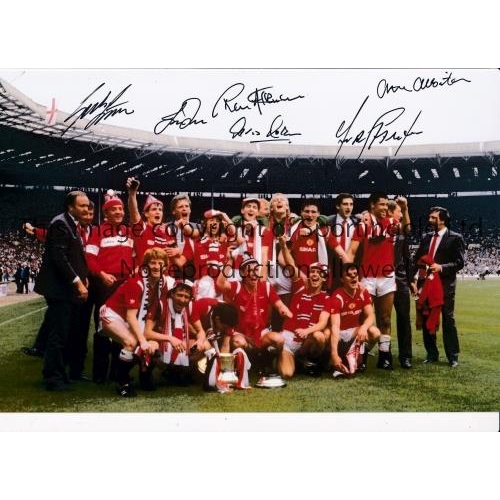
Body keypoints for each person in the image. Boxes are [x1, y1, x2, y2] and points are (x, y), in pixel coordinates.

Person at [34, 191, 90, 391]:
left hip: (66, 290)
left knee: (66, 333)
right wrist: (78, 282)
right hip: (60, 290)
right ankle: (53, 378)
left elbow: (73, 256)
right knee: (58, 335)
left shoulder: (71, 223)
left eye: (87, 205)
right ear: (70, 207)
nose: (86, 209)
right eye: (82, 205)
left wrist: (83, 278)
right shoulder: (60, 223)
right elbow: (59, 258)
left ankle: (62, 374)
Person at [348, 192, 410, 370]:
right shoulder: (362, 225)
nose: (385, 208)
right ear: (372, 206)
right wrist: (350, 274)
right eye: (381, 204)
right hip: (366, 277)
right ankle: (361, 356)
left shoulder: (392, 223)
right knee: (364, 318)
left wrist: (404, 209)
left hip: (387, 277)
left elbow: (406, 229)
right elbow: (351, 252)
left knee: (385, 319)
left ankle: (385, 355)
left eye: (386, 205)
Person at [99, 248, 172, 396]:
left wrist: (147, 340)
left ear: (166, 266)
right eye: (152, 263)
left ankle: (144, 377)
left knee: (153, 344)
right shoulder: (136, 282)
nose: (157, 266)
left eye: (160, 263)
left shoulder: (161, 283)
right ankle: (122, 383)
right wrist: (142, 340)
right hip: (113, 314)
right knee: (132, 342)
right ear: (145, 265)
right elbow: (131, 316)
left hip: (130, 319)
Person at [85, 189, 135, 383]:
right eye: (114, 209)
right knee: (102, 328)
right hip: (105, 285)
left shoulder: (129, 232)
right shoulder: (98, 232)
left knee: (121, 327)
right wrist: (102, 274)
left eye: (121, 209)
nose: (119, 212)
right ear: (106, 213)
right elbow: (90, 258)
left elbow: (135, 258)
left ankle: (117, 371)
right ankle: (99, 373)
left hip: (125, 285)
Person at [411, 206, 465, 367]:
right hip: (426, 284)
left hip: (444, 285)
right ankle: (431, 354)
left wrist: (441, 267)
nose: (429, 220)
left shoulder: (455, 238)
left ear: (442, 220)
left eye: (433, 217)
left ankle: (453, 356)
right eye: (430, 217)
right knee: (427, 318)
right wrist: (411, 280)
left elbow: (459, 263)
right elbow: (417, 259)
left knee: (448, 319)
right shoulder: (426, 237)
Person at [276, 235, 331, 378]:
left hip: (306, 340)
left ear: (324, 278)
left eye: (319, 273)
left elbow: (323, 323)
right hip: (289, 338)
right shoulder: (300, 286)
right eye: (312, 272)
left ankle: (304, 358)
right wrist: (283, 245)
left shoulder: (326, 298)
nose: (315, 275)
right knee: (286, 374)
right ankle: (284, 358)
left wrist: (306, 330)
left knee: (320, 336)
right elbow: (290, 264)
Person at [143, 279, 210, 387]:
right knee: (151, 346)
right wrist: (170, 338)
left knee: (206, 345)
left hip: (180, 343)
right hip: (160, 343)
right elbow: (146, 333)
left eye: (186, 297)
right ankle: (147, 375)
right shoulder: (160, 305)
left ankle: (181, 371)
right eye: (179, 295)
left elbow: (200, 331)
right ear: (172, 293)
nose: (182, 300)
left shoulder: (190, 306)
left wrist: (200, 341)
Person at [329, 263, 381, 378]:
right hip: (341, 337)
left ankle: (361, 356)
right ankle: (341, 359)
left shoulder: (363, 292)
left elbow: (371, 315)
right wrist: (334, 353)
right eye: (349, 275)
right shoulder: (337, 296)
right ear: (342, 279)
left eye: (355, 274)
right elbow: (335, 326)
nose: (353, 277)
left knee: (375, 332)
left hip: (357, 333)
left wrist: (363, 327)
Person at [387, 198, 413, 369]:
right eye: (398, 211)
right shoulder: (379, 229)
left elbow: (407, 258)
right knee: (384, 319)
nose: (401, 215)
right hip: (381, 277)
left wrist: (411, 280)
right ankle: (385, 354)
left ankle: (405, 356)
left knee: (404, 317)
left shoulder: (402, 233)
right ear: (390, 213)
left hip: (400, 278)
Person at [326, 193, 359, 290]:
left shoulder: (357, 223)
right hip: (333, 268)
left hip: (352, 268)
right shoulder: (328, 222)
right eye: (345, 204)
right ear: (337, 206)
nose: (349, 207)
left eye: (351, 204)